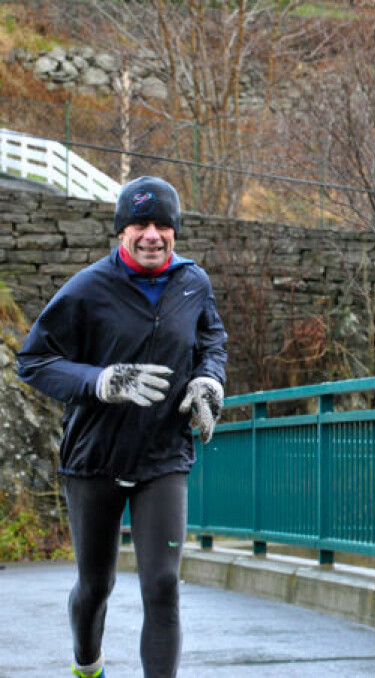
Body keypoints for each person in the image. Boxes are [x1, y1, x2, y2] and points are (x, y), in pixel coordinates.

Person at [17, 176, 228, 678]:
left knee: (162, 585)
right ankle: (88, 663)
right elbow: (33, 361)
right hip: (95, 459)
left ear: (175, 232)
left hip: (163, 456)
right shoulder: (89, 289)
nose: (152, 235)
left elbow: (211, 341)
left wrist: (208, 381)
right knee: (96, 585)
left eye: (163, 225)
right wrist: (101, 381)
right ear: (121, 232)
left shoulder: (193, 282)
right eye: (140, 224)